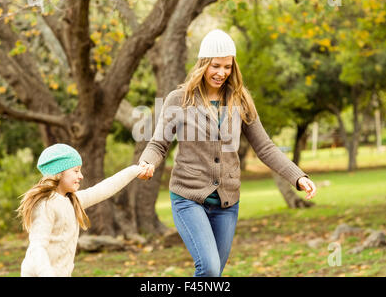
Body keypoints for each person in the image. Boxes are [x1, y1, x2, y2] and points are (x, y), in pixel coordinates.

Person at [137, 29, 317, 277]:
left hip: (227, 202)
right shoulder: (179, 99)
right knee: (209, 269)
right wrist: (147, 163)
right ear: (202, 64)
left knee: (214, 275)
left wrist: (298, 177)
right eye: (216, 66)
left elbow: (265, 147)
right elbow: (158, 144)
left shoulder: (240, 101)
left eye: (227, 67)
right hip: (188, 197)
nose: (222, 73)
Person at [17, 143, 145, 277]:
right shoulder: (45, 204)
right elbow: (37, 247)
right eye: (76, 171)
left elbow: (104, 189)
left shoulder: (73, 200)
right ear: (59, 173)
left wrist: (135, 170)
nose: (81, 176)